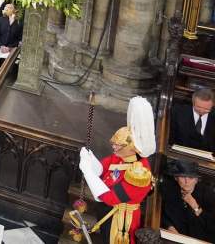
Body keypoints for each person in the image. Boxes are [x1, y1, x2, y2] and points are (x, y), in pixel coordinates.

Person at [77, 97, 156, 244]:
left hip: (121, 220)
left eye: (118, 145)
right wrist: (89, 158)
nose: (114, 147)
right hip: (108, 211)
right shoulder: (121, 156)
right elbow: (103, 168)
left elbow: (110, 197)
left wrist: (87, 172)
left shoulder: (139, 174)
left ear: (131, 147)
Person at [161, 159, 215, 239]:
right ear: (176, 178)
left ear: (196, 180)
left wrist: (195, 206)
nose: (187, 181)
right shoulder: (169, 190)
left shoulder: (208, 194)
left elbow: (212, 226)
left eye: (191, 178)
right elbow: (163, 214)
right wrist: (169, 227)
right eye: (182, 177)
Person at [170, 87, 215, 152]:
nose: (201, 111)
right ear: (193, 102)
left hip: (207, 158)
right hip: (180, 153)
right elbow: (170, 138)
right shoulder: (177, 112)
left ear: (213, 105)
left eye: (206, 109)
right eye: (198, 107)